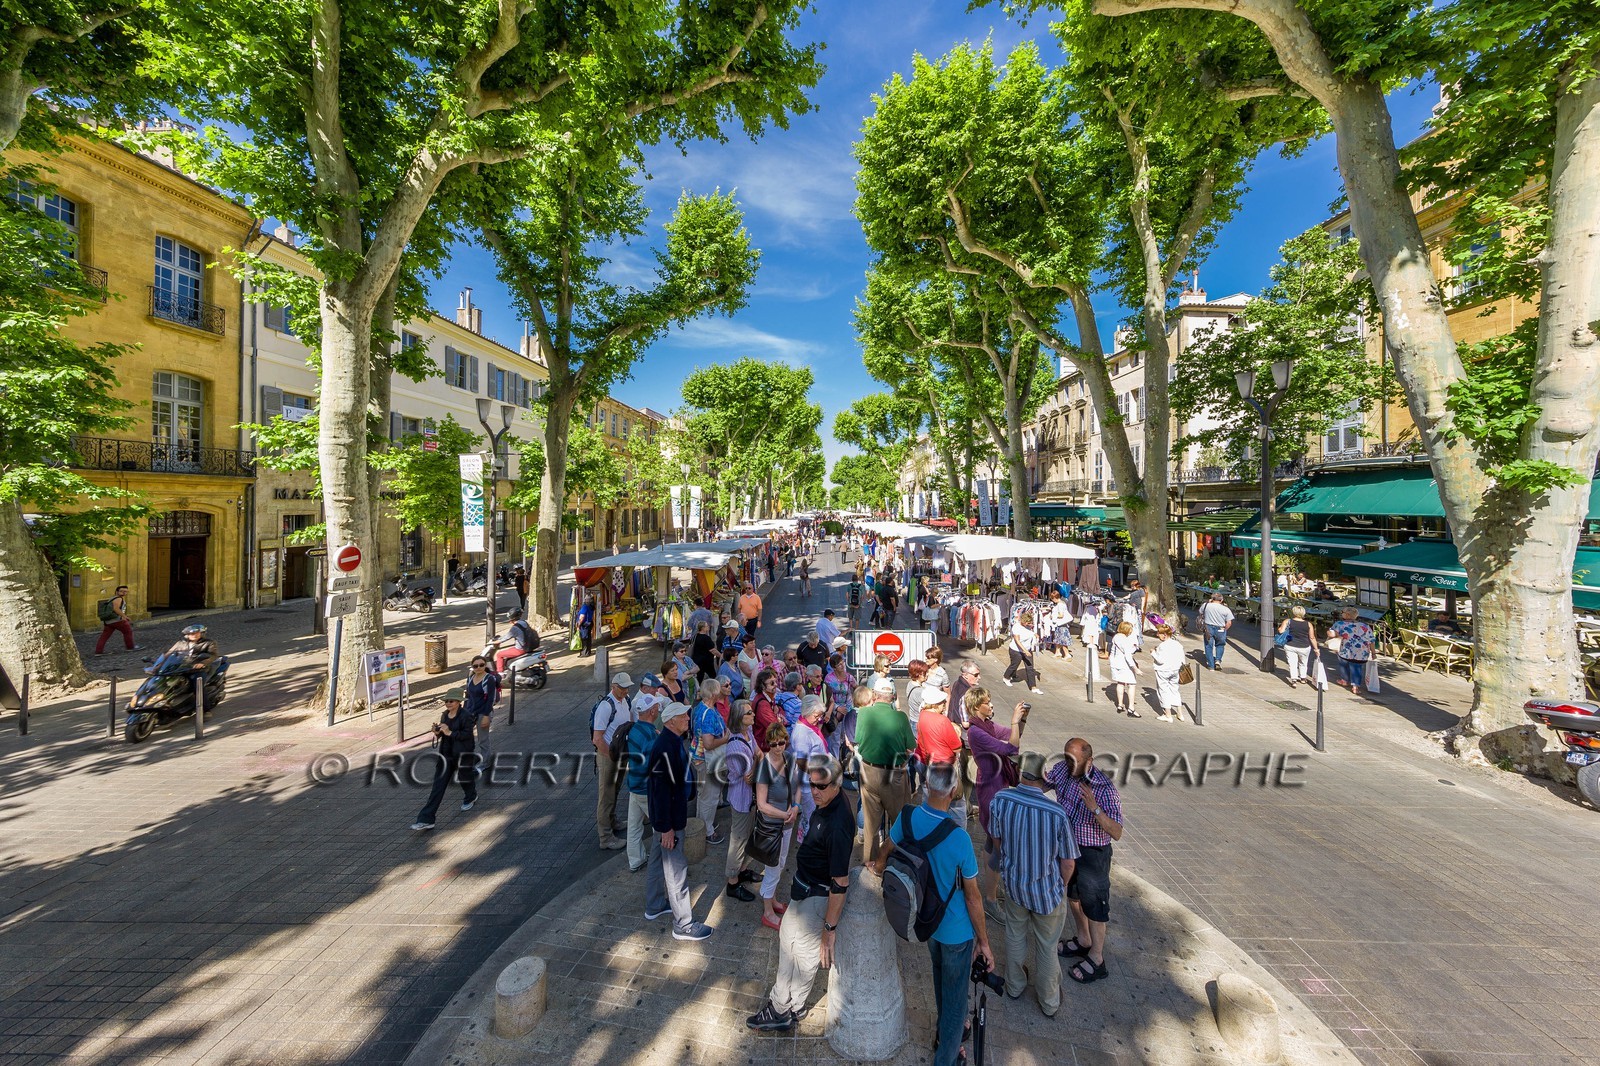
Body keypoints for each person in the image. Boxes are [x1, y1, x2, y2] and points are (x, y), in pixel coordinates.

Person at [870, 762, 992, 1065]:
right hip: (956, 931)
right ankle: (946, 1057)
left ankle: (945, 1031)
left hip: (926, 922)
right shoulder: (959, 837)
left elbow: (886, 849)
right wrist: (984, 941)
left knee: (941, 980)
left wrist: (877, 867)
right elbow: (974, 899)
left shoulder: (908, 817)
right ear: (952, 791)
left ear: (925, 785)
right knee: (954, 1000)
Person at [747, 754, 855, 1032]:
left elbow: (840, 882)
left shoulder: (840, 823)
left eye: (820, 787)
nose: (814, 792)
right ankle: (793, 1005)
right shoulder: (828, 802)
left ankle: (782, 1008)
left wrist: (829, 929)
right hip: (804, 890)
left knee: (800, 952)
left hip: (815, 898)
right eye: (812, 785)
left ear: (836, 785)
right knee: (792, 945)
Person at [988, 751, 1078, 1017]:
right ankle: (1049, 1000)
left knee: (1014, 935)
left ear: (1019, 773)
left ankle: (1015, 986)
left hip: (1015, 884)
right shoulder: (1056, 812)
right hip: (1047, 893)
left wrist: (1009, 862)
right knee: (1047, 945)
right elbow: (1068, 862)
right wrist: (1060, 886)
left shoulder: (1001, 800)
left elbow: (996, 839)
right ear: (1043, 777)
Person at [1045, 737, 1124, 985]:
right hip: (1069, 849)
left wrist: (1095, 808)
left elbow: (1117, 832)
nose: (1068, 763)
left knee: (1095, 906)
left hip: (1093, 854)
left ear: (1089, 761)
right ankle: (1083, 940)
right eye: (1066, 757)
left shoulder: (1104, 788)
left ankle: (1097, 958)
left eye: (1074, 760)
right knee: (1074, 897)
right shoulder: (1063, 771)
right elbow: (1043, 782)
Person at [645, 701, 713, 941]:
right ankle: (683, 925)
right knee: (676, 872)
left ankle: (654, 905)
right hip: (670, 821)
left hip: (664, 819)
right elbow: (661, 790)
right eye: (684, 716)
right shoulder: (666, 746)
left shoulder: (670, 741)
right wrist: (666, 828)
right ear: (671, 720)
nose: (688, 719)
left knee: (656, 861)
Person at [855, 677, 914, 854]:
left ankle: (869, 861)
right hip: (893, 775)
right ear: (893, 697)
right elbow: (911, 746)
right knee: (899, 821)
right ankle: (896, 860)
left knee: (871, 823)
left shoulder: (864, 713)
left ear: (874, 695)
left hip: (869, 772)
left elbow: (858, 740)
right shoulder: (901, 717)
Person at [753, 723, 800, 930]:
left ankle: (771, 899)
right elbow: (762, 805)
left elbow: (797, 787)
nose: (779, 747)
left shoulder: (789, 758)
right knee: (772, 867)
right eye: (774, 744)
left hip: (787, 823)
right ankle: (767, 912)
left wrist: (796, 807)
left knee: (780, 863)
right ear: (768, 744)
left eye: (782, 742)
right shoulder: (764, 767)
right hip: (772, 826)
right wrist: (785, 814)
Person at [410, 691, 479, 831]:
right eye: (446, 701)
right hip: (446, 756)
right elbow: (443, 734)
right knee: (438, 787)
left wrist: (450, 733)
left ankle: (471, 796)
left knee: (464, 778)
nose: (448, 704)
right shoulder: (444, 715)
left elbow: (467, 736)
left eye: (451, 701)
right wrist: (438, 733)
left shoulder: (466, 716)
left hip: (462, 755)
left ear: (459, 702)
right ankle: (426, 819)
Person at [966, 687, 1026, 835]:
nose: (991, 705)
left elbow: (1014, 735)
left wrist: (1022, 720)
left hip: (999, 780)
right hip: (991, 785)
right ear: (976, 707)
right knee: (995, 833)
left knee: (996, 834)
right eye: (987, 703)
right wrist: (1014, 721)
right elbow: (1010, 749)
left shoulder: (988, 725)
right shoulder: (976, 732)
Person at [723, 701, 761, 902]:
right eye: (749, 713)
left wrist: (756, 759)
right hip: (741, 799)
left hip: (749, 799)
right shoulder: (736, 745)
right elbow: (749, 777)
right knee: (738, 841)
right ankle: (732, 883)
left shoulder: (749, 733)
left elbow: (759, 755)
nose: (753, 714)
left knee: (747, 837)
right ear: (740, 718)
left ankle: (742, 870)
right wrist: (756, 760)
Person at [592, 673, 635, 851]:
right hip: (608, 757)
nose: (626, 690)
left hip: (619, 755)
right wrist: (611, 757)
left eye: (627, 687)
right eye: (622, 687)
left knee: (614, 792)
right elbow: (597, 739)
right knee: (606, 797)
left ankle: (612, 820)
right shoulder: (605, 707)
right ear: (613, 686)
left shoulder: (625, 700)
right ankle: (605, 837)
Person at [916, 685, 966, 824]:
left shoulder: (922, 715)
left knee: (930, 798)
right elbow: (956, 746)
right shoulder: (942, 721)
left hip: (928, 763)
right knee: (957, 804)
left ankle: (930, 824)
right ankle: (957, 830)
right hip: (945, 766)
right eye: (942, 702)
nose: (944, 705)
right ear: (935, 704)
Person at [623, 694, 662, 872]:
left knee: (634, 826)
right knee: (659, 826)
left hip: (634, 785)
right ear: (652, 711)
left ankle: (635, 860)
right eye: (657, 708)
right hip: (646, 789)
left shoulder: (635, 729)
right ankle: (661, 859)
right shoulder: (651, 735)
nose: (659, 710)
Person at [689, 678, 729, 844]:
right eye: (719, 689)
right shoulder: (709, 714)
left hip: (697, 757)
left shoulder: (700, 707)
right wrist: (725, 739)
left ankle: (702, 824)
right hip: (705, 760)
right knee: (710, 797)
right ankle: (707, 831)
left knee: (703, 794)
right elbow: (709, 743)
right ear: (713, 693)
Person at [790, 693, 831, 837]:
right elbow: (801, 763)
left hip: (813, 779)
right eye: (816, 716)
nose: (819, 719)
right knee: (812, 816)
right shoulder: (802, 733)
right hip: (810, 782)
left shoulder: (808, 726)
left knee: (811, 816)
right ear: (806, 713)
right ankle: (809, 842)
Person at [1331, 606, 1377, 694]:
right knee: (1357, 668)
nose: (1342, 614)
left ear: (1347, 615)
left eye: (1343, 612)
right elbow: (1371, 640)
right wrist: (1373, 653)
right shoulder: (1365, 626)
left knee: (1343, 664)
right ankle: (1355, 686)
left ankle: (1344, 680)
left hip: (1344, 649)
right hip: (1361, 652)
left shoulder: (1339, 624)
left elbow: (1332, 633)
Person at [1148, 624, 1186, 722]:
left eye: (1159, 633)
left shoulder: (1162, 646)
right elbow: (1182, 659)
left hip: (1163, 670)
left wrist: (1153, 652)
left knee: (1163, 690)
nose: (1157, 635)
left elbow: (1160, 660)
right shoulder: (1177, 644)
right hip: (1175, 670)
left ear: (1164, 634)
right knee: (1175, 689)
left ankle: (1168, 715)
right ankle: (1180, 713)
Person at [488, 608, 539, 675]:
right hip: (527, 647)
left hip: (520, 649)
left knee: (499, 655)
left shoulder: (515, 628)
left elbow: (505, 638)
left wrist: (491, 642)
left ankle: (500, 673)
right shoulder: (524, 622)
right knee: (508, 652)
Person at [1003, 609, 1041, 694]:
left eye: (1030, 623)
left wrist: (1034, 635)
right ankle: (1006, 677)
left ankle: (1033, 687)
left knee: (1030, 667)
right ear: (1023, 622)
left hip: (1028, 649)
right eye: (1028, 623)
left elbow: (1029, 632)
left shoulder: (1028, 626)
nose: (1030, 625)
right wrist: (1024, 651)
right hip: (1016, 650)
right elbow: (1017, 640)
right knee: (1014, 664)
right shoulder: (1016, 627)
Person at [94, 584, 139, 655]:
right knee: (128, 631)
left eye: (126, 591)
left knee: (104, 636)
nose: (124, 593)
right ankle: (130, 647)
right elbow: (116, 608)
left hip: (109, 621)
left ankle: (98, 651)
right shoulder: (118, 599)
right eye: (122, 591)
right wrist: (124, 616)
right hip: (117, 620)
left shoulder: (112, 598)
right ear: (117, 592)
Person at [1278, 605, 1317, 686]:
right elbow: (1312, 637)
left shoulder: (1287, 621)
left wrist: (1279, 628)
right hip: (1304, 646)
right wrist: (1316, 649)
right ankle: (1303, 678)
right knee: (1303, 662)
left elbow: (1281, 631)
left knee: (1292, 663)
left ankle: (1294, 679)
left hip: (1290, 645)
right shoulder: (1308, 624)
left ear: (1293, 612)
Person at [1108, 620, 1140, 716]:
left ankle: (1120, 704)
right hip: (1124, 664)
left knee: (1120, 683)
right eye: (1130, 629)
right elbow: (1127, 655)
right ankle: (1131, 708)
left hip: (1115, 663)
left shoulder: (1116, 637)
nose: (1131, 631)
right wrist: (1135, 668)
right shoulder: (1125, 640)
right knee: (1131, 684)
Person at [1198, 591, 1234, 671]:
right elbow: (1229, 622)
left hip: (1208, 627)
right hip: (1220, 628)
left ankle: (1211, 665)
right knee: (1220, 645)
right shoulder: (1226, 609)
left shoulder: (1206, 605)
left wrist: (1208, 602)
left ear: (1212, 599)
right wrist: (1225, 629)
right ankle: (1218, 660)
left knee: (1208, 646)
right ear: (1221, 600)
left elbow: (1200, 612)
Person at [751, 668, 782, 752]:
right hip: (764, 746)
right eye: (772, 683)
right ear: (763, 686)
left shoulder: (769, 697)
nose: (776, 685)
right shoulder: (763, 704)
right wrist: (779, 719)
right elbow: (775, 727)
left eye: (776, 681)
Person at [1047, 589, 1073, 660]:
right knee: (1058, 639)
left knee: (1062, 640)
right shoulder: (1061, 603)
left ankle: (1067, 655)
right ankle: (1057, 652)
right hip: (1060, 624)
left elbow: (1061, 615)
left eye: (1052, 598)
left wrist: (1053, 616)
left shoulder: (1060, 604)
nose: (1052, 600)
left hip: (1062, 625)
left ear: (1055, 598)